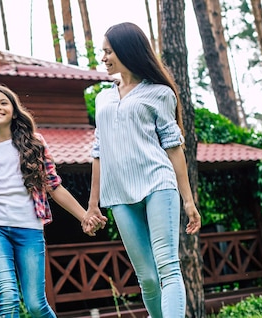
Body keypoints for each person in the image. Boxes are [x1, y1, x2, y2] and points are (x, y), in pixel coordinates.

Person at [84, 22, 202, 318]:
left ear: (126, 51)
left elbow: (174, 148)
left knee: (167, 266)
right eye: (103, 52)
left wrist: (188, 200)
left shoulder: (160, 93)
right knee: (147, 277)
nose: (104, 58)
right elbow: (98, 152)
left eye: (108, 51)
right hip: (118, 193)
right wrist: (92, 203)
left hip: (157, 184)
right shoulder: (103, 98)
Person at [0, 83, 107, 318]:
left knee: (35, 305)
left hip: (29, 230)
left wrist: (85, 216)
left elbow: (54, 186)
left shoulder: (34, 144)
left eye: (3, 102)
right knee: (8, 298)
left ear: (14, 110)